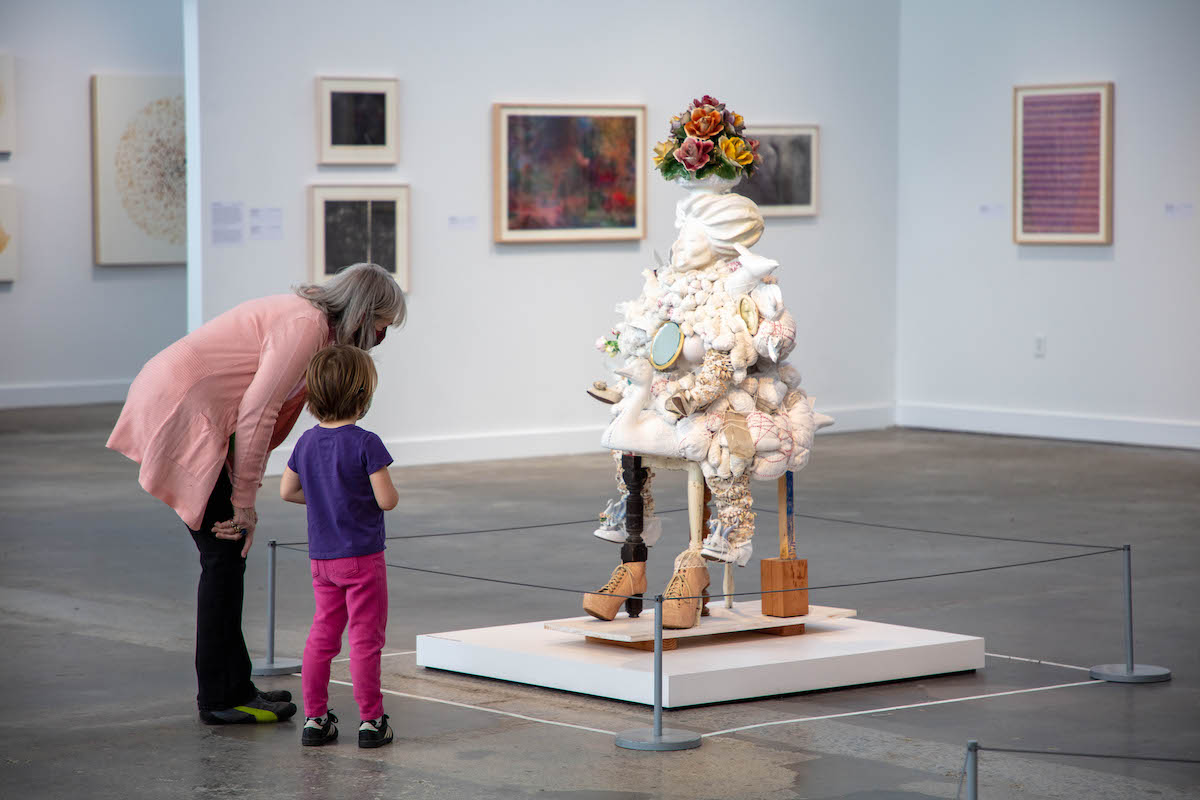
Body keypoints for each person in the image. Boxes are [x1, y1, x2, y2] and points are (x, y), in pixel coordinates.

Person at [106, 263, 406, 725]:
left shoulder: (312, 325)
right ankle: (222, 697)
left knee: (226, 557)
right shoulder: (306, 327)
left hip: (193, 406)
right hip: (184, 408)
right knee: (224, 554)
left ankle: (235, 685)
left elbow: (252, 407)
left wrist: (243, 488)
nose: (383, 334)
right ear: (366, 314)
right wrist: (244, 501)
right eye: (384, 324)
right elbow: (257, 411)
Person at [280, 345, 397, 748]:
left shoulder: (306, 442)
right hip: (362, 558)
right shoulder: (366, 442)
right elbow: (386, 500)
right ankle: (371, 720)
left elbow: (287, 491)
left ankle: (315, 718)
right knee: (365, 640)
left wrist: (327, 498)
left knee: (322, 636)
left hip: (322, 561)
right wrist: (353, 496)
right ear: (363, 395)